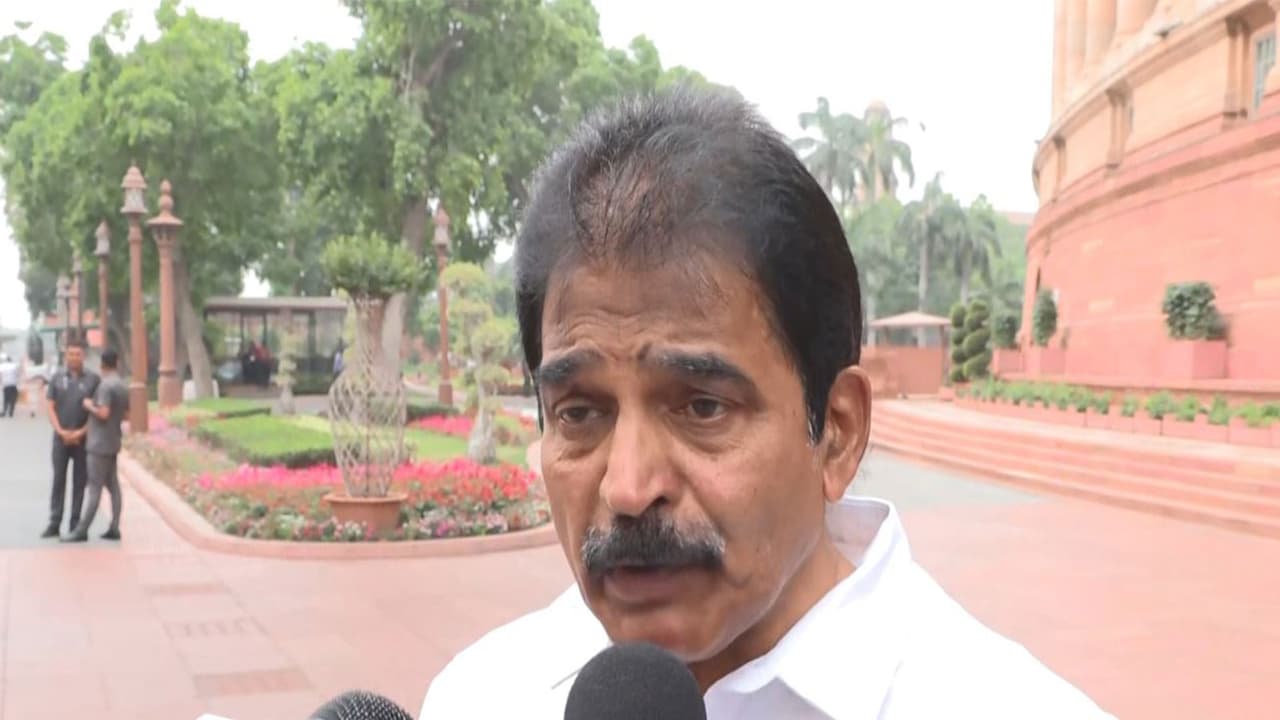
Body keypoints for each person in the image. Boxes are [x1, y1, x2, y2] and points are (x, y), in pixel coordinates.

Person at [419, 89, 1112, 719]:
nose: (627, 489)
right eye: (580, 413)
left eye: (702, 407)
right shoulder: (482, 697)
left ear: (837, 432)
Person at [64, 348, 128, 542]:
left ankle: (82, 529)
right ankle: (114, 526)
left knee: (94, 487)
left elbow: (103, 413)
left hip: (98, 443)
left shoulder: (105, 386)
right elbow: (126, 414)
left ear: (102, 365)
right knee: (113, 485)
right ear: (117, 363)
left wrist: (88, 405)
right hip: (113, 439)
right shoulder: (122, 385)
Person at [42, 338, 99, 538]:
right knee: (59, 480)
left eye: (78, 354)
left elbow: (97, 411)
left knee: (79, 481)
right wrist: (61, 431)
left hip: (83, 440)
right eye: (71, 354)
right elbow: (50, 406)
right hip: (61, 439)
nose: (74, 358)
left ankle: (75, 523)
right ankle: (54, 522)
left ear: (84, 356)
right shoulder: (57, 378)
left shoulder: (93, 380)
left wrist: (81, 432)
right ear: (65, 355)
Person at [0, 353, 19, 417]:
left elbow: (0, 375)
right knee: (13, 398)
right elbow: (17, 374)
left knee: (6, 399)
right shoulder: (14, 366)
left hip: (6, 385)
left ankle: (4, 411)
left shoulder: (2, 366)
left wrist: (1, 382)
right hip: (13, 384)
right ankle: (11, 412)